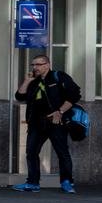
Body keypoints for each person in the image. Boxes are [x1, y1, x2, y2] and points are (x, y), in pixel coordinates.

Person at [13, 50, 82, 193]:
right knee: (31, 152)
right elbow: (19, 96)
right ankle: (32, 183)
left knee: (62, 152)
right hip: (36, 123)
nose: (35, 67)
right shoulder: (34, 81)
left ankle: (66, 182)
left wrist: (60, 111)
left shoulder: (58, 77)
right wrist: (27, 81)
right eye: (33, 65)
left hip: (55, 121)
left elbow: (75, 94)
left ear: (47, 65)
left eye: (39, 64)